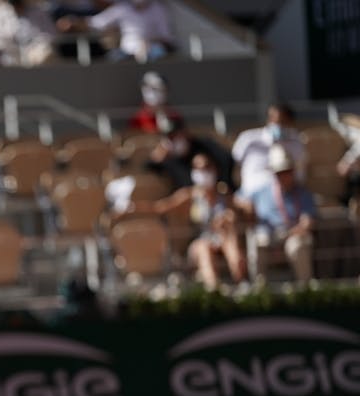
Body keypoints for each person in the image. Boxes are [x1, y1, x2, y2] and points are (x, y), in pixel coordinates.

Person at [124, 152, 246, 290]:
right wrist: (132, 208)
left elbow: (242, 209)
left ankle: (242, 284)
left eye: (207, 168)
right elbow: (160, 207)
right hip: (199, 243)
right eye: (198, 169)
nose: (203, 172)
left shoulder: (224, 194)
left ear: (214, 169)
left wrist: (230, 216)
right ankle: (214, 288)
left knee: (230, 241)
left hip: (223, 239)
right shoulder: (189, 195)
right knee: (204, 247)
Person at [236, 143, 316, 283]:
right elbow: (236, 199)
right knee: (258, 241)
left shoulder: (304, 194)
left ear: (293, 170)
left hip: (292, 235)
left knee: (298, 246)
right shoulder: (261, 191)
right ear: (274, 173)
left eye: (287, 171)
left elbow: (307, 223)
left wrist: (286, 236)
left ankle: (306, 287)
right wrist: (246, 206)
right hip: (267, 236)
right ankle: (259, 288)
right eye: (280, 172)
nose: (284, 176)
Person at [57, 0, 175, 62]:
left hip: (153, 52)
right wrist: (73, 22)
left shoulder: (159, 9)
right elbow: (96, 23)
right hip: (125, 54)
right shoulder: (122, 8)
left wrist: (147, 43)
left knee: (158, 54)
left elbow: (165, 37)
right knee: (110, 60)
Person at [231, 102, 306, 199]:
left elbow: (299, 174)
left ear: (290, 123)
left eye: (283, 122)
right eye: (273, 120)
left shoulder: (296, 143)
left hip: (284, 196)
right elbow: (234, 165)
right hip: (251, 194)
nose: (278, 125)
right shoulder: (248, 138)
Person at [0, 0, 57, 67]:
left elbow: (50, 34)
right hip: (10, 59)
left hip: (37, 60)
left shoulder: (37, 11)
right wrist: (14, 46)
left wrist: (34, 49)